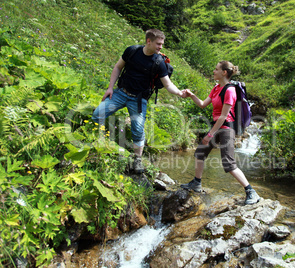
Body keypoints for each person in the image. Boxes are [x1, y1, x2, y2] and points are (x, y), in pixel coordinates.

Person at [92, 29, 188, 174]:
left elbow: (167, 84)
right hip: (120, 93)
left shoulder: (159, 62)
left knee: (137, 129)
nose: (160, 47)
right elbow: (118, 67)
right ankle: (97, 142)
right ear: (148, 41)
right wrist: (110, 88)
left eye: (162, 44)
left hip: (138, 100)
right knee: (97, 114)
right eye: (158, 44)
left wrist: (179, 92)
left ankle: (137, 160)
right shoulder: (132, 51)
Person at [181, 61, 261, 205]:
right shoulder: (216, 88)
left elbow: (224, 116)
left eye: (216, 69)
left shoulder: (230, 90)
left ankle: (251, 192)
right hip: (216, 126)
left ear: (224, 72)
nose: (213, 71)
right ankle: (196, 183)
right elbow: (202, 104)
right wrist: (191, 95)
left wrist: (209, 135)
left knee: (229, 164)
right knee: (200, 153)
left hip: (225, 129)